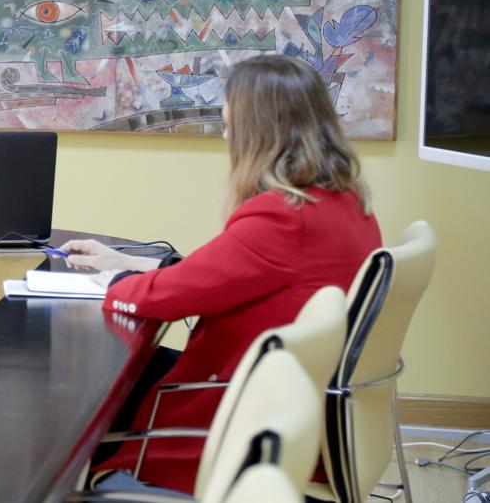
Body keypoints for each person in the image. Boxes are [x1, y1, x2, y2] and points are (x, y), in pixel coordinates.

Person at [60, 54, 381, 494]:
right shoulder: (342, 203)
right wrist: (127, 263)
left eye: (231, 127)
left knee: (98, 378)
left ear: (259, 135)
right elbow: (227, 273)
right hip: (292, 408)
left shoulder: (283, 218)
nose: (227, 139)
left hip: (240, 422)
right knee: (128, 371)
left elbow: (168, 299)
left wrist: (114, 285)